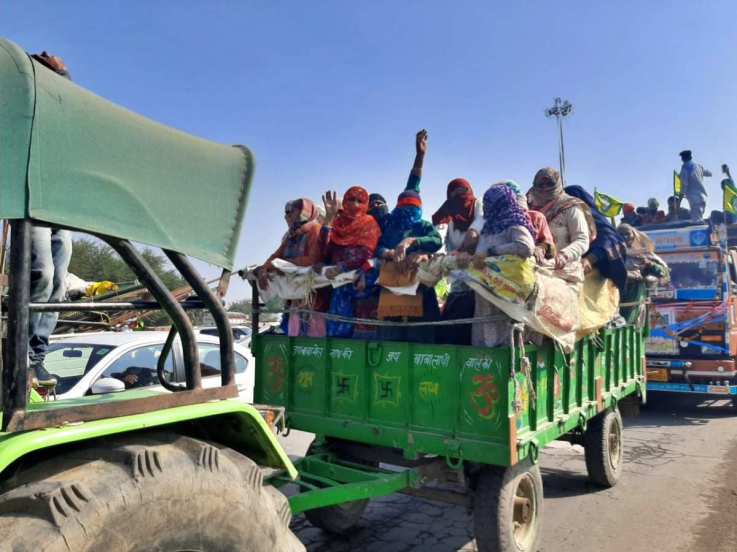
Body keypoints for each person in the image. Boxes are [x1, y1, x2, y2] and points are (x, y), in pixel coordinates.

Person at [27, 52, 73, 387]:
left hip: (58, 203)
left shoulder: (54, 118)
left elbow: (67, 103)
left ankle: (37, 358)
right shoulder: (21, 112)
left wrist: (63, 73)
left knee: (59, 282)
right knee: (40, 272)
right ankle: (23, 358)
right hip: (30, 201)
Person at [376, 129, 442, 343]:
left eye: (414, 207)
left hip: (420, 292)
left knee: (421, 339)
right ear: (397, 205)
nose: (408, 210)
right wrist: (388, 252)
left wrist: (413, 242)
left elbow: (436, 241)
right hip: (392, 290)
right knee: (392, 340)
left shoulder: (421, 226)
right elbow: (375, 247)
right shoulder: (389, 223)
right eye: (404, 205)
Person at [470, 184, 536, 347]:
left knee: (506, 332)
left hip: (508, 290)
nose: (486, 208)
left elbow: (526, 247)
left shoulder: (515, 223)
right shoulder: (487, 228)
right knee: (484, 332)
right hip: (485, 291)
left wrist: (493, 252)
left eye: (489, 204)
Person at [257, 198, 328, 337]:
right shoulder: (292, 235)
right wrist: (264, 270)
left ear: (304, 213)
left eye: (290, 212)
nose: (286, 217)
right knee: (294, 334)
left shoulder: (315, 230)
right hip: (295, 299)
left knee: (312, 337)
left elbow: (313, 260)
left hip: (314, 299)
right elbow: (276, 256)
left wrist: (284, 264)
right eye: (285, 213)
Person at [320, 186, 382, 337]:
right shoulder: (337, 223)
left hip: (363, 278)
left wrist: (342, 267)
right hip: (338, 279)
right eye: (351, 199)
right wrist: (329, 218)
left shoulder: (369, 223)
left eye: (359, 201)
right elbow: (324, 248)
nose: (355, 204)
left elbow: (365, 252)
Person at [431, 178, 482, 344]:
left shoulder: (478, 206)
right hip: (457, 284)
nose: (461, 199)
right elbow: (438, 238)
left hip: (481, 283)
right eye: (455, 195)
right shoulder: (450, 219)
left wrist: (462, 250)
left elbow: (476, 231)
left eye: (464, 193)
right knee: (450, 330)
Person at [526, 167, 594, 271]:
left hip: (564, 269)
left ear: (557, 184)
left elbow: (581, 239)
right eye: (541, 185)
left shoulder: (570, 207)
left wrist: (565, 255)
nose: (545, 188)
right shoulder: (528, 206)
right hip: (534, 266)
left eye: (549, 184)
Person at [565, 186, 628, 294]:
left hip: (597, 284)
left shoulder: (597, 221)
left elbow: (611, 241)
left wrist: (590, 259)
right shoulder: (559, 219)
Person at [617, 223, 669, 325]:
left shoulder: (643, 254)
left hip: (635, 295)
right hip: (614, 295)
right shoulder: (611, 253)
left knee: (629, 322)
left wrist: (648, 267)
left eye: (627, 234)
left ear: (634, 235)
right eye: (621, 234)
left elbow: (663, 274)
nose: (625, 237)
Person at [679, 150, 712, 222]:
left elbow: (683, 186)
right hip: (702, 196)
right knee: (700, 218)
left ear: (682, 159)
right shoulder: (698, 166)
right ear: (691, 157)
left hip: (694, 198)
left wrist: (679, 201)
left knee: (697, 222)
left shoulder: (685, 169)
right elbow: (709, 173)